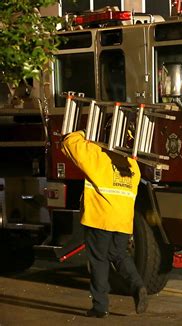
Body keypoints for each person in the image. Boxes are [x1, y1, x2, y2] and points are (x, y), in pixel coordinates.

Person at [61, 130, 148, 318]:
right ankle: (138, 285)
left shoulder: (99, 158)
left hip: (100, 217)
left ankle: (100, 307)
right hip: (123, 220)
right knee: (119, 255)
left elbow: (70, 144)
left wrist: (83, 132)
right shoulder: (132, 164)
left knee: (99, 260)